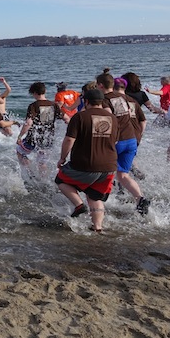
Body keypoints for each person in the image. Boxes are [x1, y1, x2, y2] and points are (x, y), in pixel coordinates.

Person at [55, 89, 119, 233]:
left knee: (61, 180)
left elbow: (69, 139)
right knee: (95, 195)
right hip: (109, 166)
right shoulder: (113, 118)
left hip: (85, 164)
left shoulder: (80, 117)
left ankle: (79, 205)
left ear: (86, 101)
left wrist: (62, 158)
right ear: (102, 102)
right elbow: (115, 140)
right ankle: (97, 227)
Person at [95, 71, 149, 214]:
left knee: (103, 169)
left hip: (117, 140)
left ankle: (101, 197)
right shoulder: (125, 98)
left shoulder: (105, 99)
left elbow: (109, 118)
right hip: (131, 139)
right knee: (123, 174)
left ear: (100, 85)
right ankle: (140, 199)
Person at [16, 82, 68, 179]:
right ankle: (44, 181)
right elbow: (67, 119)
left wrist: (19, 136)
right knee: (42, 162)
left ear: (35, 93)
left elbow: (28, 123)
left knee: (19, 150)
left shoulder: (33, 105)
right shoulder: (54, 105)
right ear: (45, 91)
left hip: (33, 138)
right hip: (48, 139)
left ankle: (30, 173)